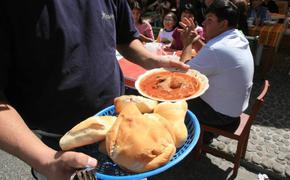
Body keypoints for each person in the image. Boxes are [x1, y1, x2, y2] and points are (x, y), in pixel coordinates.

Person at [0, 1, 189, 180]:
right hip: (56, 145)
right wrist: (46, 160)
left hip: (126, 125)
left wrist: (153, 61)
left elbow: (125, 38)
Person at [179, 0, 254, 133]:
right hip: (234, 109)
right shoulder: (238, 36)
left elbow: (182, 76)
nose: (203, 23)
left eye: (210, 20)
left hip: (220, 115)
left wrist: (187, 44)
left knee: (174, 98)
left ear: (224, 23)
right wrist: (195, 40)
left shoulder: (217, 49)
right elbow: (214, 55)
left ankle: (183, 140)